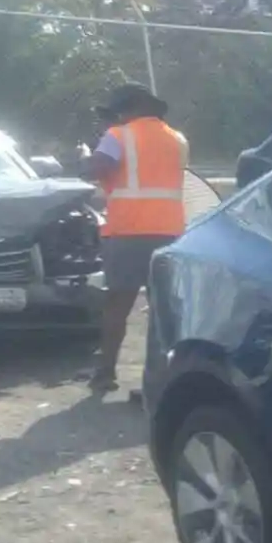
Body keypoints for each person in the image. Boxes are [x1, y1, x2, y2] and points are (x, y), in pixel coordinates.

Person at [86, 82, 188, 394]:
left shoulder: (118, 136)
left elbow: (96, 168)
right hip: (170, 232)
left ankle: (105, 374)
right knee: (161, 310)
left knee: (118, 304)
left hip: (129, 231)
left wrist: (86, 159)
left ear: (127, 109)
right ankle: (157, 382)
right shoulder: (177, 139)